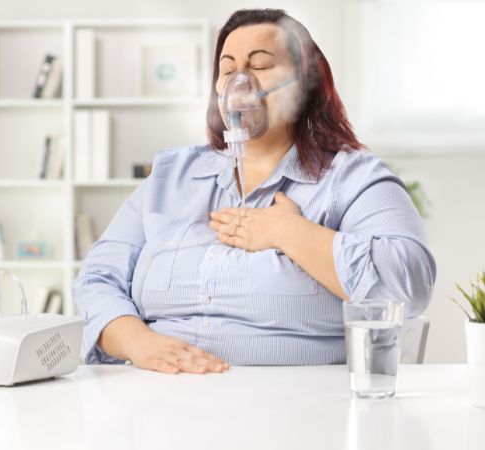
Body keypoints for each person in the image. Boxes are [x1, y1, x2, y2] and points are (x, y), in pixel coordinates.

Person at [71, 8, 436, 374]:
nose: (239, 82)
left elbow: (412, 282)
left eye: (259, 65)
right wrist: (141, 344)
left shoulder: (351, 179)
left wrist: (289, 232)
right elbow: (96, 280)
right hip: (159, 404)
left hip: (297, 411)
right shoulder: (170, 179)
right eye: (228, 70)